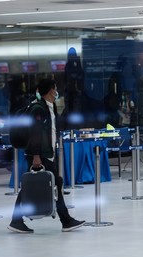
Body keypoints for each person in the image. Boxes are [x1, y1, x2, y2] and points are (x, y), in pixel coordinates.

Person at [8, 79, 85, 233]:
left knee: (52, 184)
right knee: (51, 184)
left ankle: (17, 220)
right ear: (51, 90)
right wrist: (36, 156)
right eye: (56, 88)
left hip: (46, 153)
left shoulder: (48, 107)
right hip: (39, 154)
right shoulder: (38, 109)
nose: (57, 92)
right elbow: (35, 134)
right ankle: (65, 220)